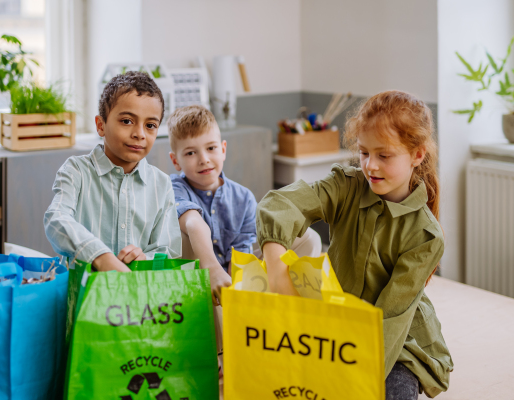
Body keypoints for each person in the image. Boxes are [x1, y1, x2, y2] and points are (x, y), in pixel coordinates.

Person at [256, 91, 453, 399]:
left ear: (417, 155)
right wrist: (276, 261)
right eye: (363, 153)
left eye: (384, 155)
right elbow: (281, 202)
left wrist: (348, 378)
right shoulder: (346, 186)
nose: (370, 166)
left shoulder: (425, 237)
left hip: (397, 344)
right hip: (336, 325)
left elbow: (388, 323)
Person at [168, 105, 321, 302]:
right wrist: (212, 270)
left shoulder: (243, 197)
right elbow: (193, 224)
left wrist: (233, 288)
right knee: (185, 234)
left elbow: (241, 252)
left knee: (310, 238)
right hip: (196, 273)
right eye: (190, 153)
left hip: (232, 271)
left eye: (211, 148)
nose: (204, 159)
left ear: (222, 149)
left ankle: (288, 299)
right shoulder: (173, 187)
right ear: (176, 161)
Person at [44, 71, 181, 271]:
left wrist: (146, 260)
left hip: (136, 296)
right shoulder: (76, 170)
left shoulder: (161, 183)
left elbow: (169, 249)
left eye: (150, 125)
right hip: (83, 293)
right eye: (127, 121)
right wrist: (100, 256)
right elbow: (56, 218)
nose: (139, 134)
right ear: (101, 126)